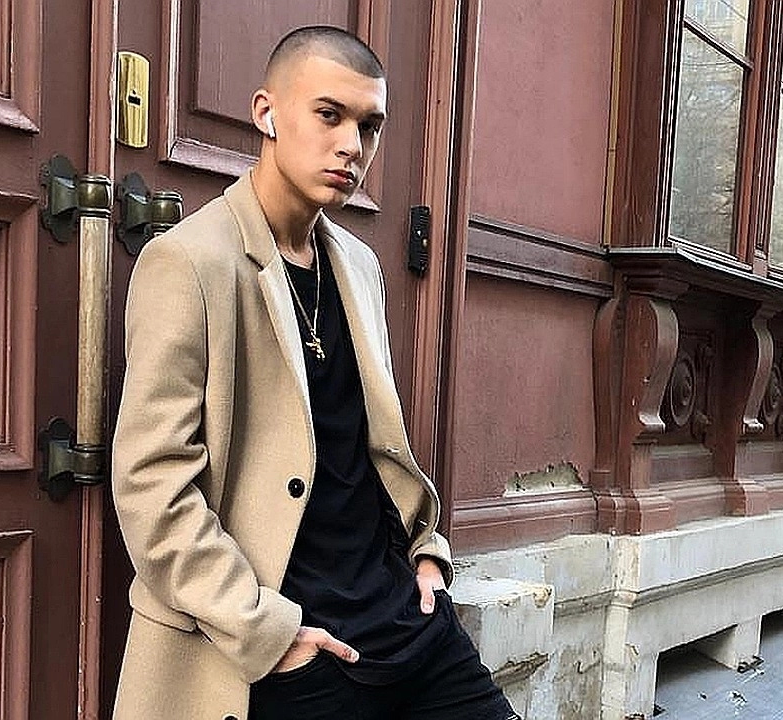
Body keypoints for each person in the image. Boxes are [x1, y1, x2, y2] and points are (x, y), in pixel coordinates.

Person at [111, 25, 519, 720]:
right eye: (329, 115)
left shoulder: (358, 265)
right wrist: (269, 632)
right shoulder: (189, 263)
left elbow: (372, 449)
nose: (352, 145)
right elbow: (152, 486)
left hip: (406, 618)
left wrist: (427, 553)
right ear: (266, 112)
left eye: (369, 125)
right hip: (290, 643)